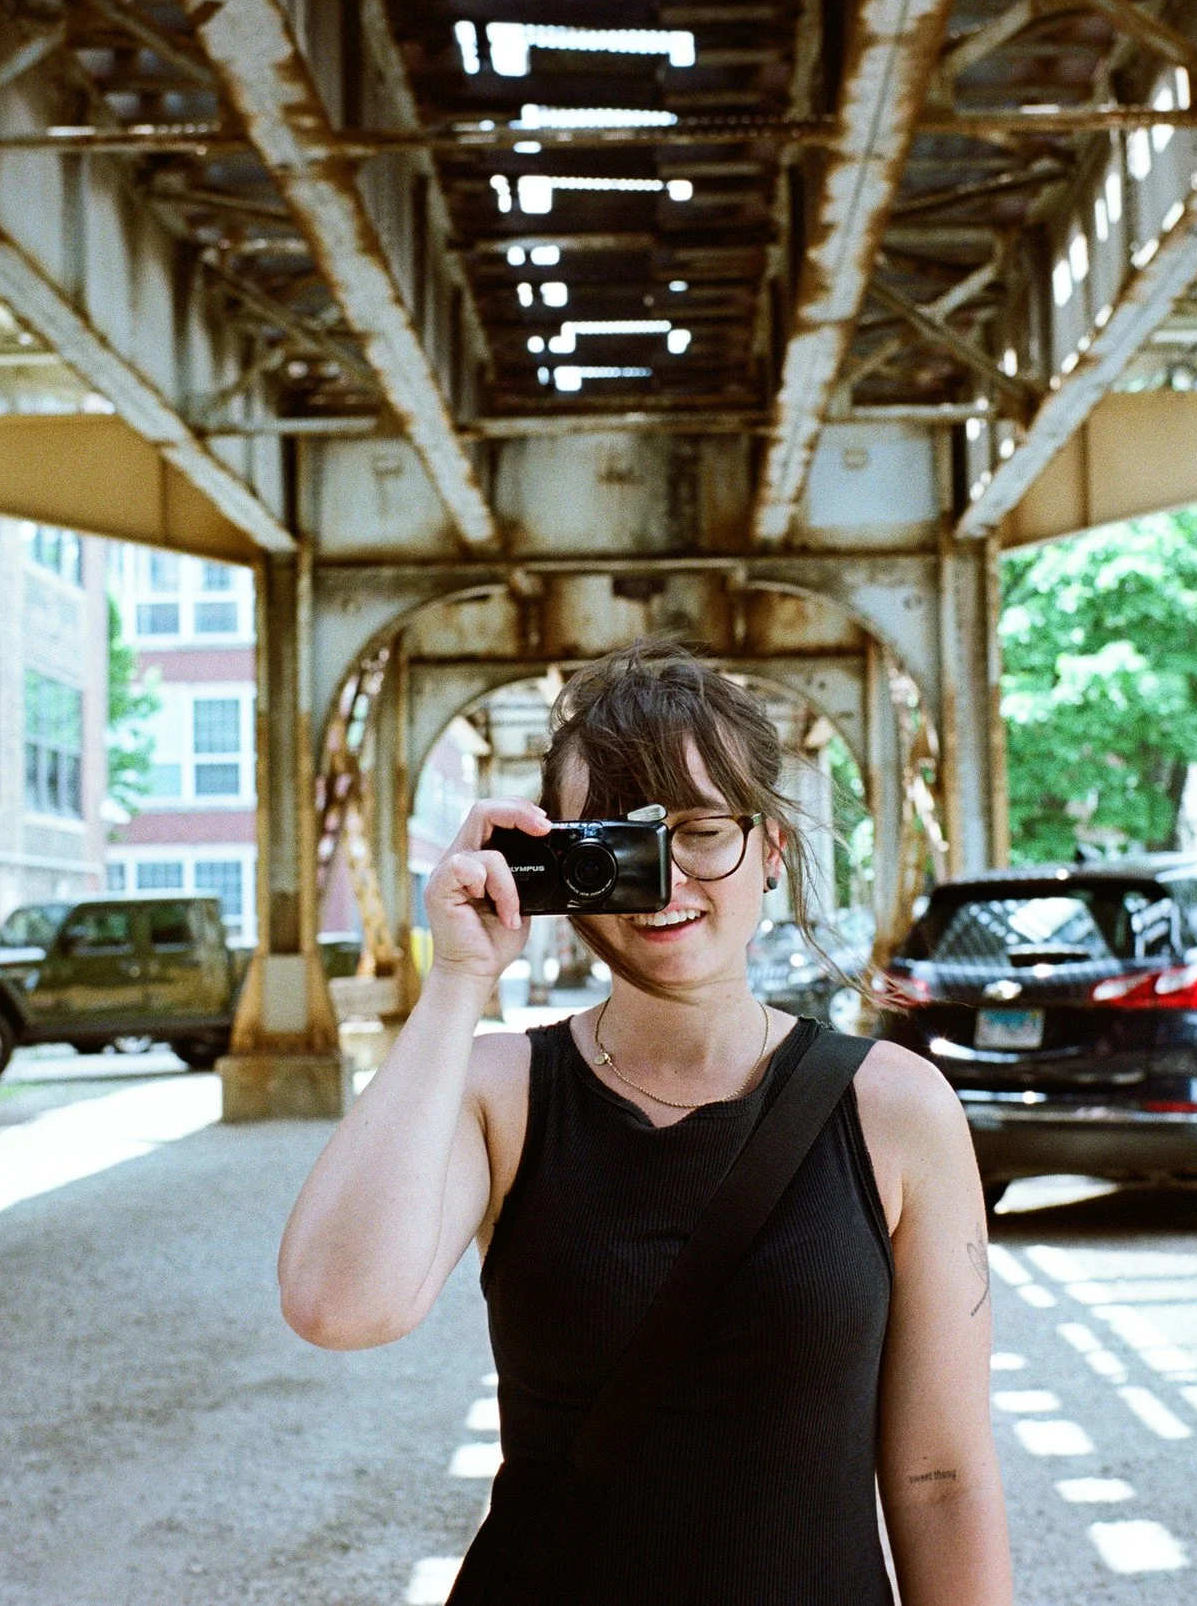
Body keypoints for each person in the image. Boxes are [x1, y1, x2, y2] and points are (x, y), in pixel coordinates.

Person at [279, 641, 1012, 1605]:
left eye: (701, 830)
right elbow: (340, 1304)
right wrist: (457, 977)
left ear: (773, 847)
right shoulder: (502, 1093)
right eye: (616, 848)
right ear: (552, 863)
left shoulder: (892, 1108)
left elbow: (941, 1480)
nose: (665, 882)